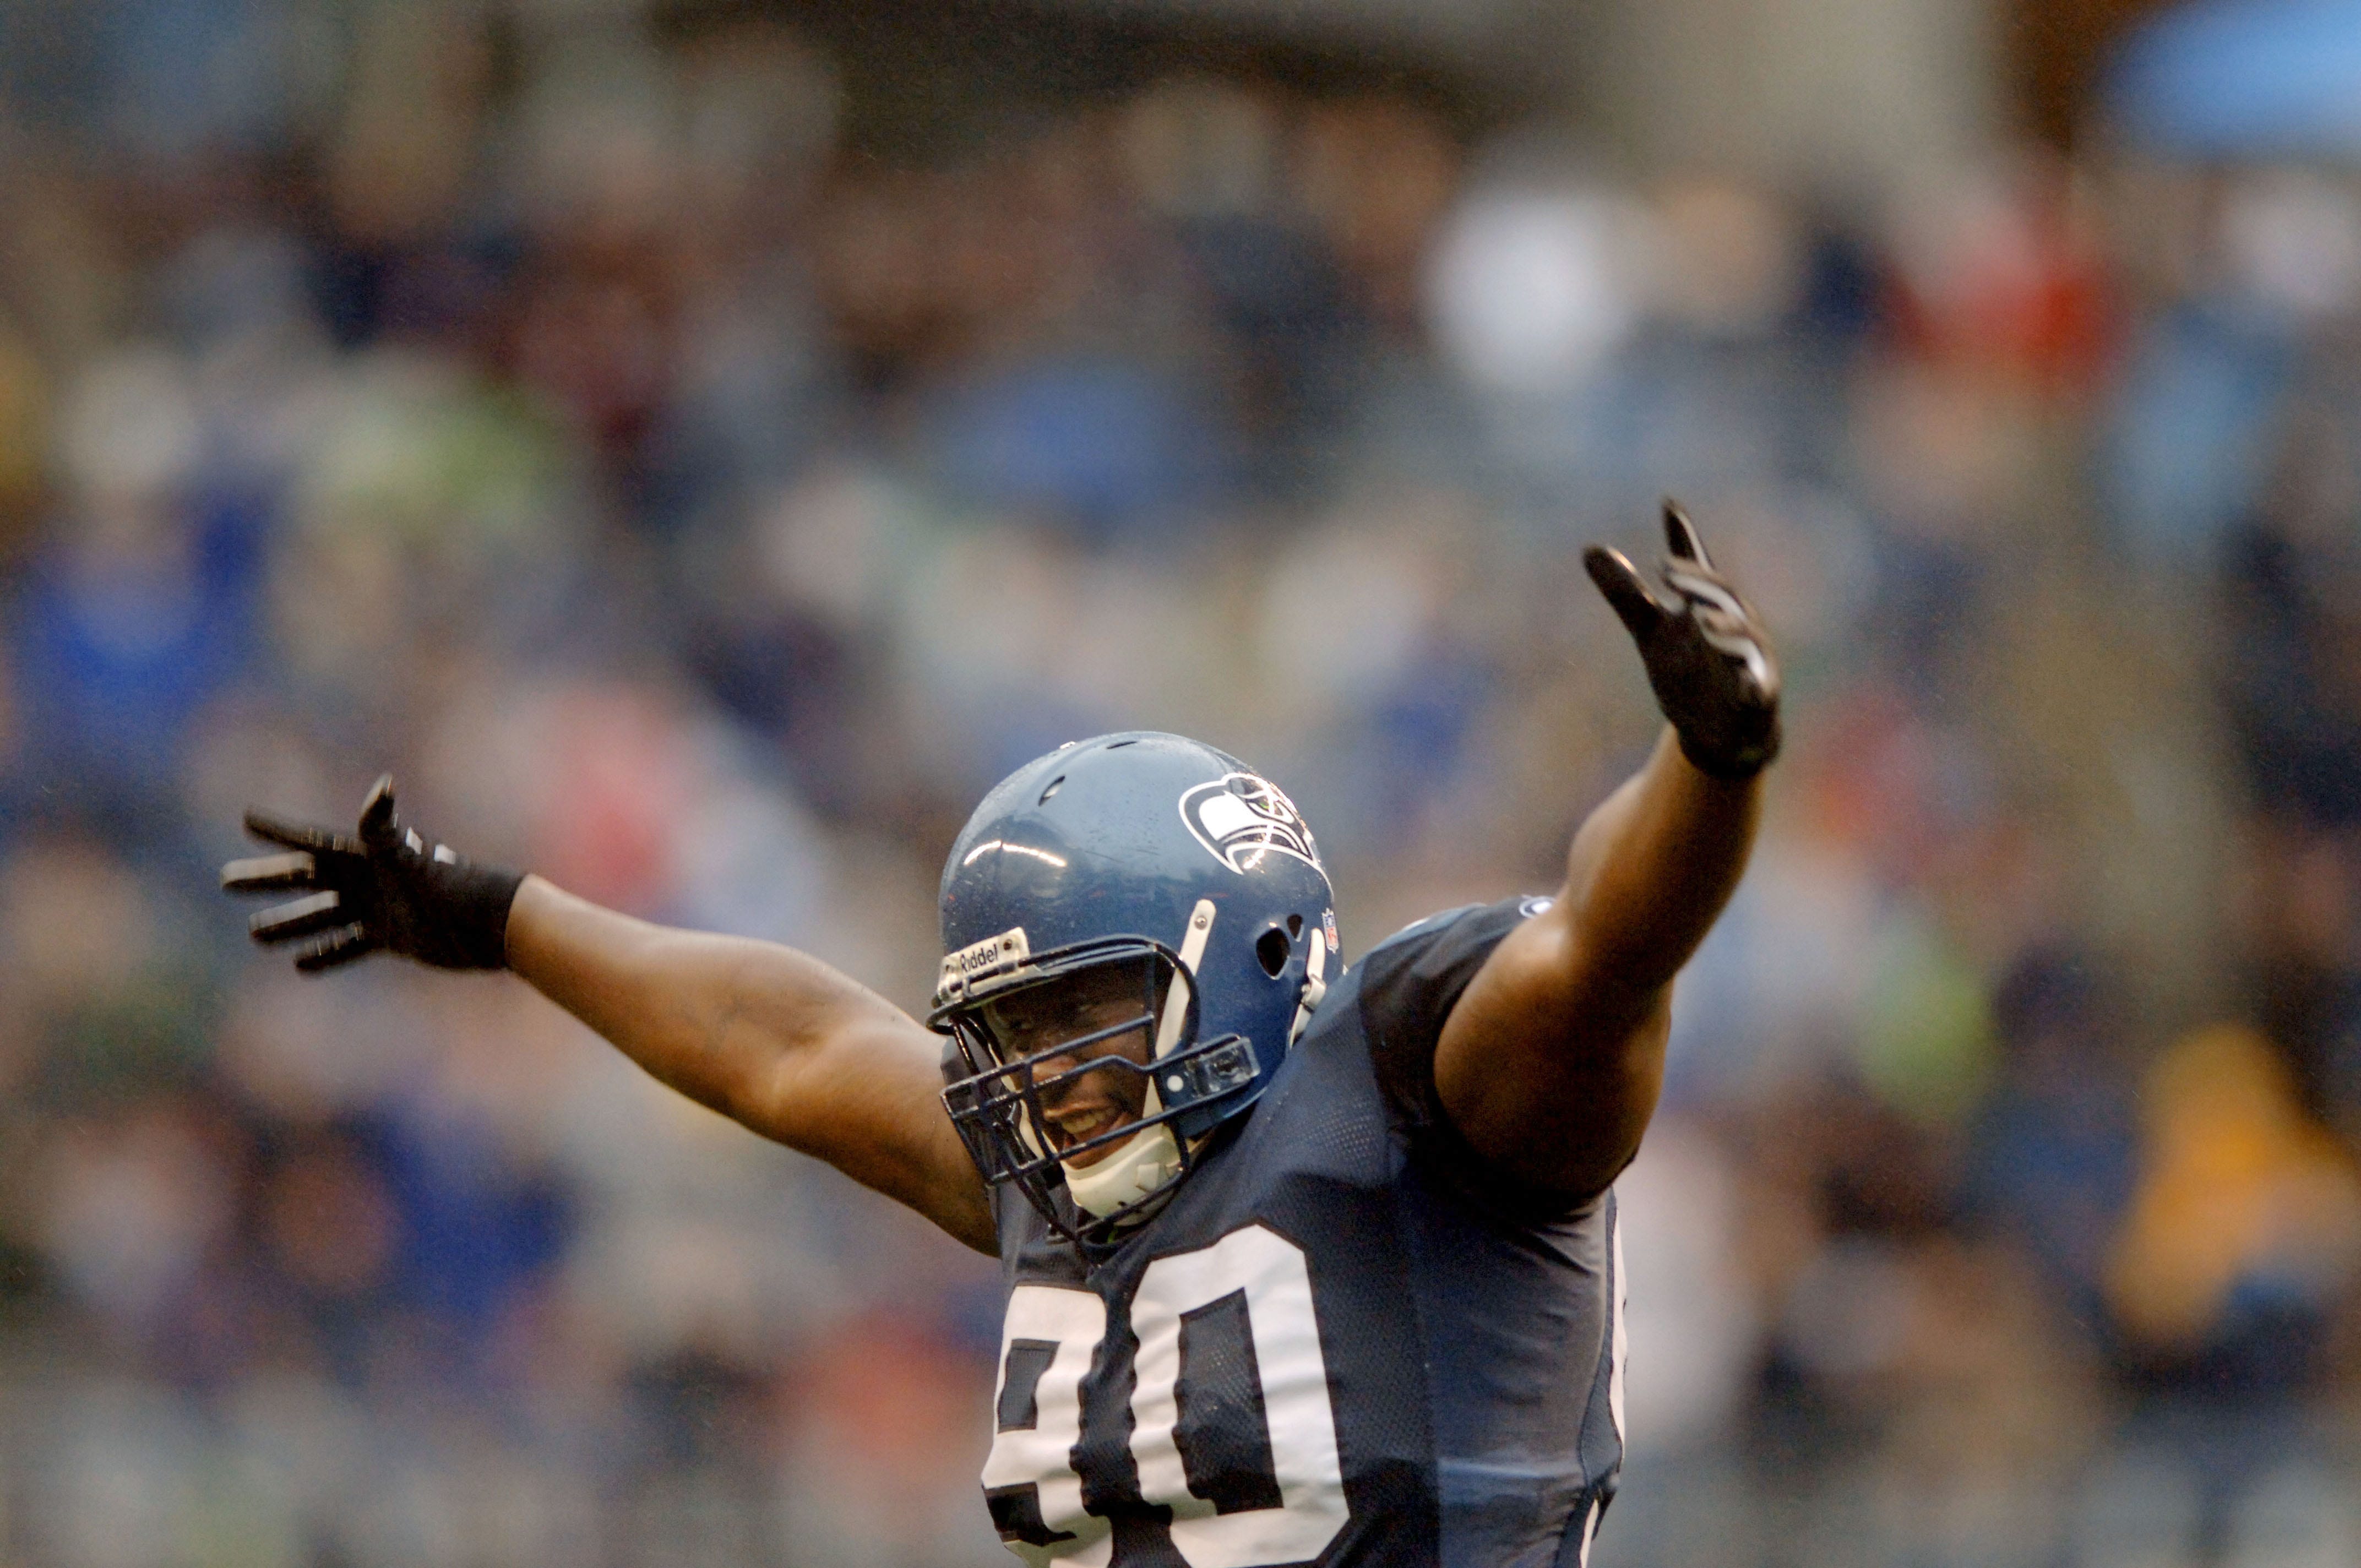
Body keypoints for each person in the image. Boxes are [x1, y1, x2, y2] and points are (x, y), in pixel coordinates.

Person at [224, 503, 1780, 1567]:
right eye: (1010, 1026)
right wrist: (507, 919)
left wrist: (1710, 763)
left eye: (1082, 1011)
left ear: (1250, 962)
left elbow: (1605, 953)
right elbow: (791, 1051)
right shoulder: (1061, 1171)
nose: (1043, 1073)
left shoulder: (1425, 1104)